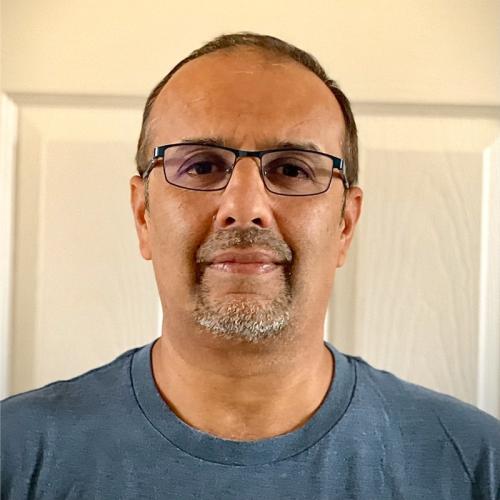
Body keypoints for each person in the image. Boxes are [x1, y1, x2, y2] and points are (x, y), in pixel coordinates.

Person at [1, 32, 499, 499]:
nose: (245, 207)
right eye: (201, 165)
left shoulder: (475, 463)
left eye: (292, 169)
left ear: (345, 225)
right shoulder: (15, 455)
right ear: (143, 216)